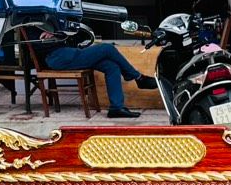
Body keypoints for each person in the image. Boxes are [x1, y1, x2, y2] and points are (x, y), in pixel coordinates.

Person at [29, 22, 158, 118]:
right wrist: (54, 35)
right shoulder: (32, 23)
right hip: (56, 57)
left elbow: (76, 35)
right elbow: (38, 45)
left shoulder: (52, 19)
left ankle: (116, 108)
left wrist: (61, 33)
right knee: (107, 48)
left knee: (111, 66)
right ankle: (138, 78)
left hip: (70, 53)